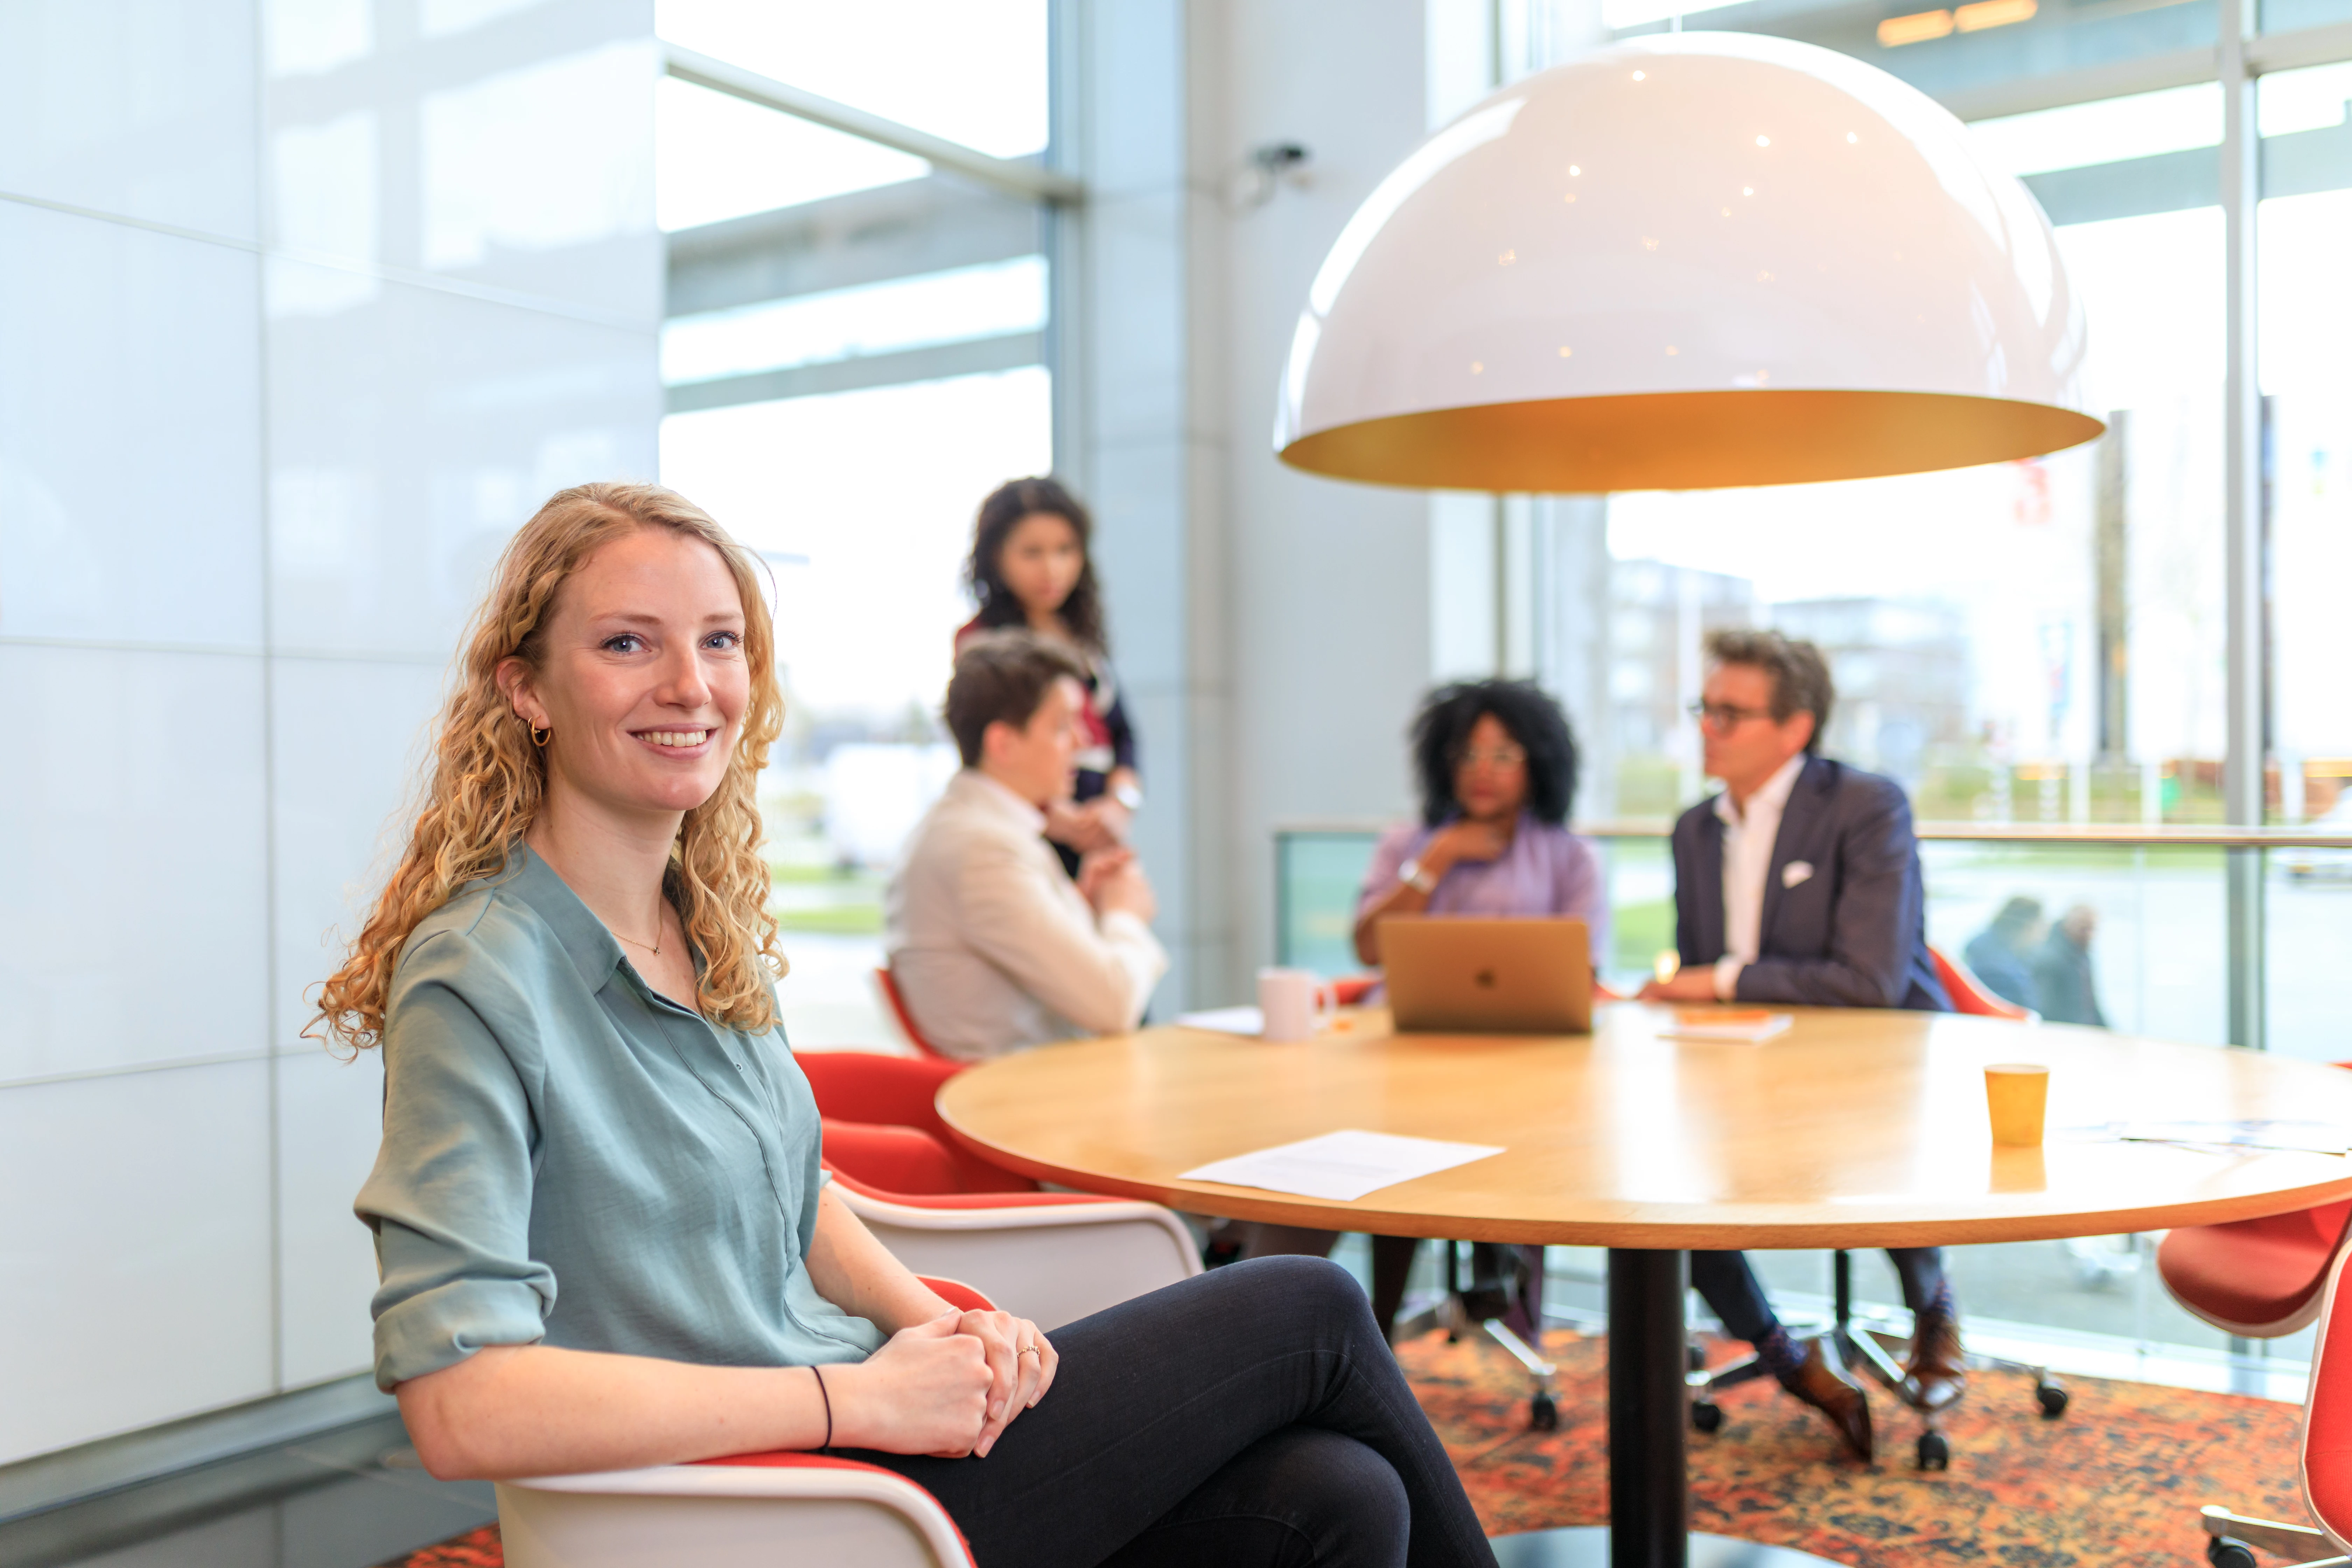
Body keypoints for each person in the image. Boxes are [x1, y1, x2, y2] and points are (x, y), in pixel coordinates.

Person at [316, 483, 1498, 1568]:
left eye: (719, 641)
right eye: (629, 643)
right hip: (777, 1496)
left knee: (1338, 1495)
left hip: (853, 1428)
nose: (690, 684)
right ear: (526, 689)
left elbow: (797, 1191)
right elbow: (460, 1403)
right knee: (1311, 1306)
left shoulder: (700, 929)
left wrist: (946, 1325)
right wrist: (858, 1402)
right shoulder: (479, 974)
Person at [1636, 629, 1956, 1464]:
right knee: (1668, 1184)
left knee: (1879, 1139)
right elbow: (1698, 971)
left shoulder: (1866, 806)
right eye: (1704, 707)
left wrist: (1721, 980)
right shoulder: (1694, 829)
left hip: (1875, 1055)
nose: (1707, 727)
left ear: (1796, 727)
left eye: (1730, 712)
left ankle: (1933, 1304)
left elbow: (1869, 981)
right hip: (1743, 1061)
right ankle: (1787, 1358)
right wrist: (1689, 990)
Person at [1336, 680, 1610, 1337]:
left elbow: (1581, 976)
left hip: (1527, 1070)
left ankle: (1517, 1317)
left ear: (1539, 762)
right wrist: (1438, 858)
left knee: (1534, 1143)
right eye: (1467, 754)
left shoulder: (1570, 856)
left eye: (1504, 755)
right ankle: (1378, 1329)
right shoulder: (1409, 844)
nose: (1482, 771)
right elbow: (1369, 947)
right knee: (1392, 1149)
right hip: (1409, 1058)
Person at [886, 632, 1167, 1060]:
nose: (1084, 743)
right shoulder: (982, 849)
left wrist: (1084, 907)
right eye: (1063, 726)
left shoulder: (979, 829)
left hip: (1031, 1079)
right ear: (1004, 744)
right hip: (1024, 1091)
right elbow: (1115, 1005)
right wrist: (1124, 915)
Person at [960, 477, 1140, 877]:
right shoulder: (980, 645)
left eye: (1065, 550)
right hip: (1034, 836)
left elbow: (1125, 736)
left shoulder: (1083, 639)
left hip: (1101, 832)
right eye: (1032, 553)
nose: (1052, 569)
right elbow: (984, 752)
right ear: (996, 556)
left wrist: (1119, 806)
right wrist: (1054, 818)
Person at [1962, 896, 2044, 1012]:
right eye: (2041, 927)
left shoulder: (2009, 950)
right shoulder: (1997, 970)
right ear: (2028, 928)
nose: (2042, 936)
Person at [2032, 904, 2106, 1026]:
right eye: (2083, 928)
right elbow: (2048, 1009)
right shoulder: (2050, 959)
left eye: (2092, 929)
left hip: (2085, 1029)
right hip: (2066, 1031)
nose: (2089, 935)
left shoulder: (2082, 956)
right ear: (2068, 925)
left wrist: (2108, 1030)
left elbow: (2091, 1005)